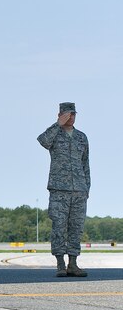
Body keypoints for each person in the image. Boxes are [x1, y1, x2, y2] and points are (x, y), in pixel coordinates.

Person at [38, 102, 90, 277]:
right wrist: (57, 125)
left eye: (73, 114)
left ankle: (73, 264)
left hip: (79, 190)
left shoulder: (82, 137)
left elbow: (85, 164)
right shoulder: (54, 135)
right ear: (60, 115)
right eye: (68, 114)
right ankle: (60, 264)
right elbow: (43, 141)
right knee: (59, 226)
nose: (71, 117)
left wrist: (86, 188)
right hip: (59, 190)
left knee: (76, 227)